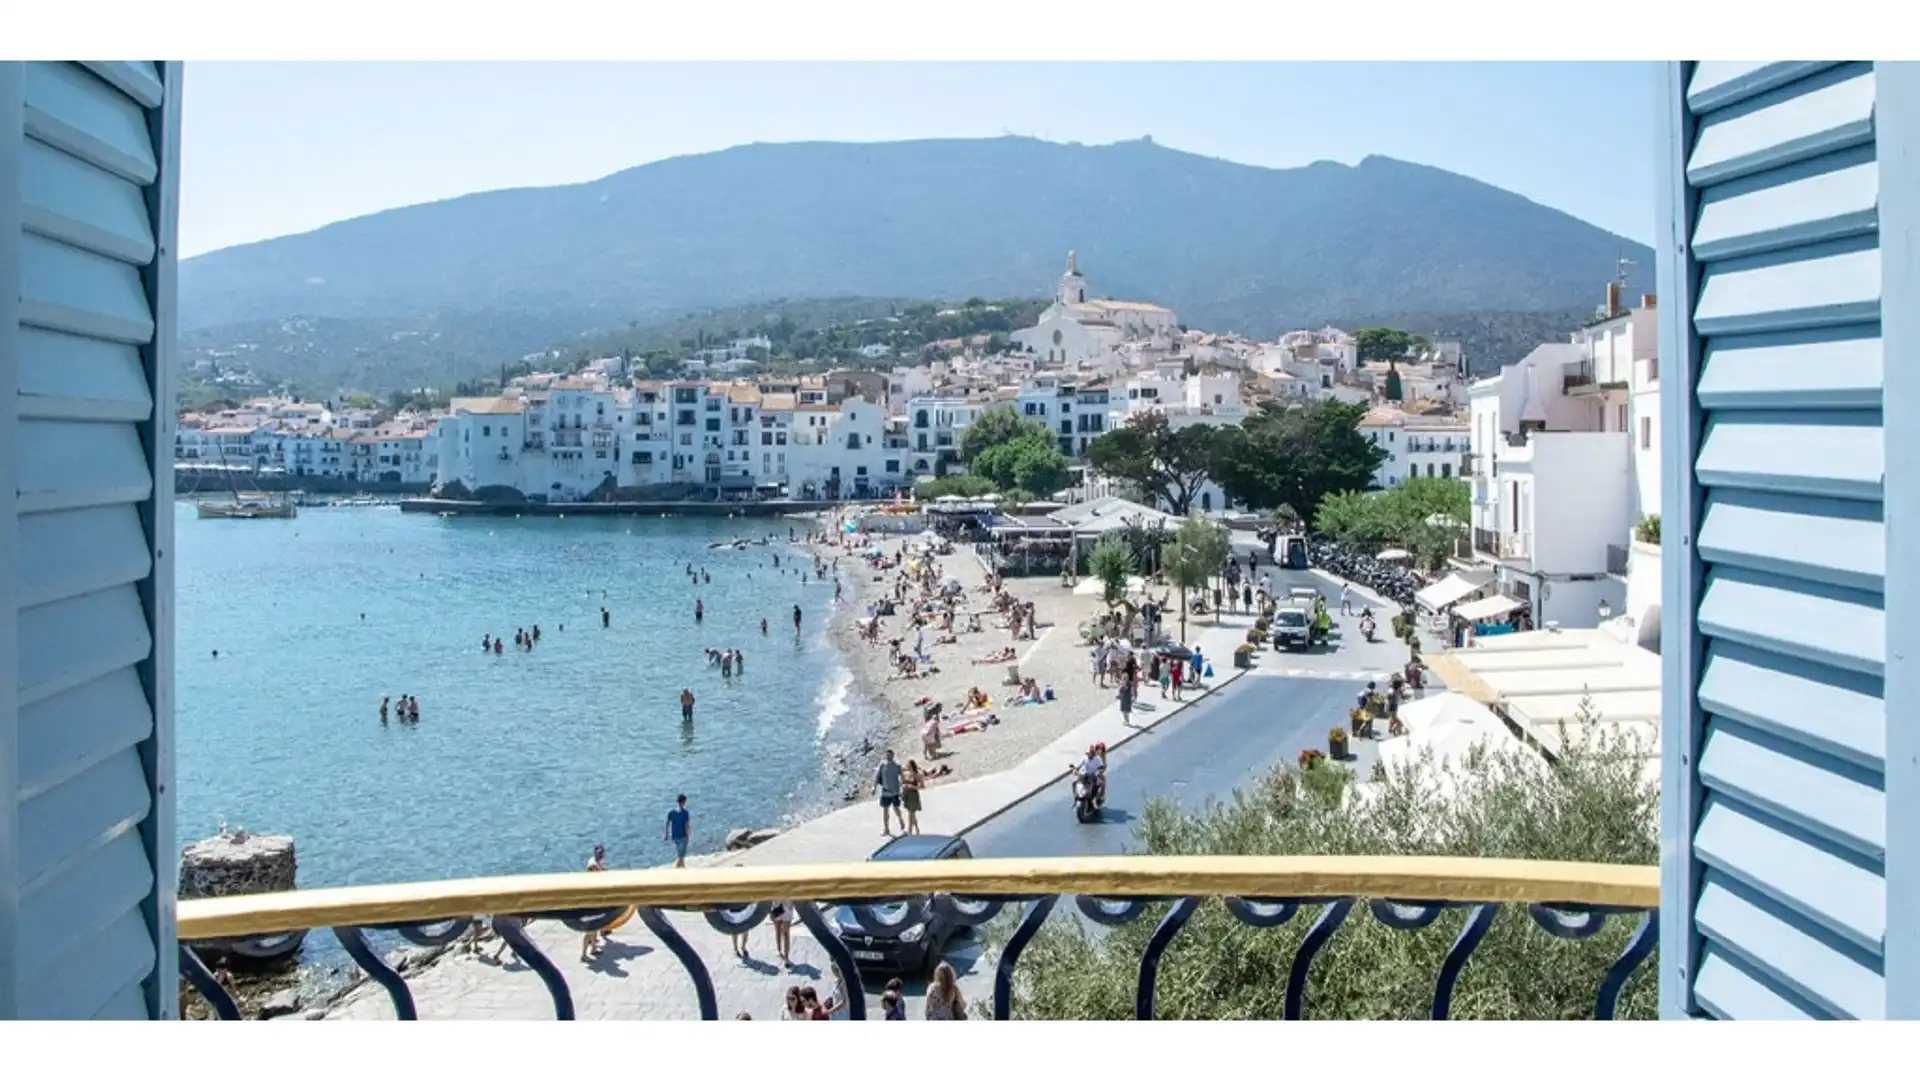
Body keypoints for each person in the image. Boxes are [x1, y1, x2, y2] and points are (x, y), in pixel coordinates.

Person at [579, 844, 608, 961]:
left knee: (594, 927)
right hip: (591, 901)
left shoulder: (595, 861)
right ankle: (583, 955)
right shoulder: (593, 865)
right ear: (595, 852)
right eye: (599, 853)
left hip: (595, 900)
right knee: (590, 930)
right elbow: (596, 873)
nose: (601, 855)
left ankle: (593, 948)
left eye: (602, 853)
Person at [875, 750, 906, 836]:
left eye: (890, 755)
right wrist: (874, 788)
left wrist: (903, 789)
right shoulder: (882, 765)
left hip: (895, 791)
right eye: (887, 755)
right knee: (885, 810)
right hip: (885, 791)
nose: (888, 757)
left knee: (896, 809)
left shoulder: (897, 765)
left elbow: (902, 778)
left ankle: (900, 820)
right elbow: (877, 776)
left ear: (893, 756)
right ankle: (886, 829)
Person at [665, 794, 690, 868]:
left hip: (675, 836)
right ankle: (677, 869)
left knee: (680, 854)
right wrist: (688, 835)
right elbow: (686, 825)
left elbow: (667, 823)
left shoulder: (672, 812)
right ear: (683, 802)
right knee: (681, 855)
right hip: (683, 836)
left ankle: (683, 867)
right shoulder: (685, 812)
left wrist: (666, 834)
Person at [901, 760, 926, 834]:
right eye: (907, 766)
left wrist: (912, 786)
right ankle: (917, 830)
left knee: (910, 814)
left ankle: (910, 832)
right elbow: (903, 784)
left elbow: (922, 786)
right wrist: (903, 787)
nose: (908, 767)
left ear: (912, 766)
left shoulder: (917, 775)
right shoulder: (907, 774)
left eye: (909, 766)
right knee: (912, 814)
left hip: (914, 796)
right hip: (907, 795)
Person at [770, 899, 796, 968]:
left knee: (786, 933)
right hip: (777, 906)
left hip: (787, 906)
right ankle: (779, 950)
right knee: (778, 931)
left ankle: (786, 957)